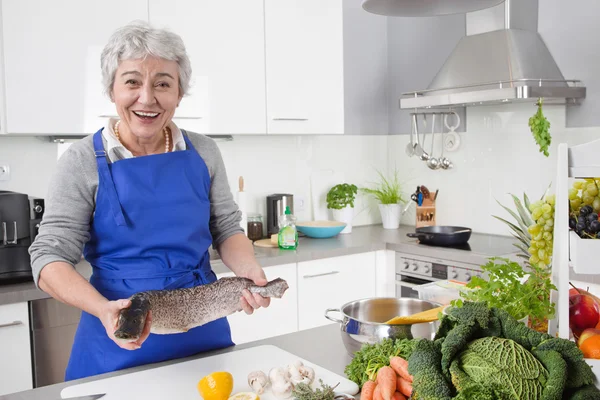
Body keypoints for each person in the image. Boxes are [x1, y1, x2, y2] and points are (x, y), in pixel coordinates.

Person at [28, 20, 270, 381]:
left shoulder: (204, 151)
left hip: (202, 329)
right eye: (132, 82)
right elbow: (48, 255)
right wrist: (105, 310)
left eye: (162, 84)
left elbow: (226, 228)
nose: (147, 98)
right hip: (119, 330)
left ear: (179, 92)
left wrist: (248, 272)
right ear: (112, 90)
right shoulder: (81, 160)